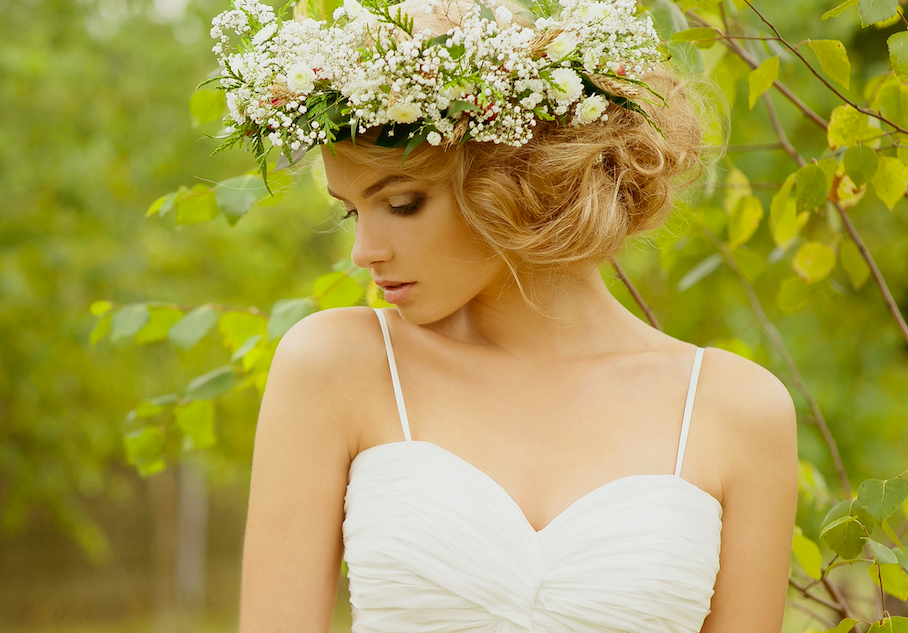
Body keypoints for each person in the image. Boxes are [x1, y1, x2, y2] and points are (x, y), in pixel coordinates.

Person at [217, 0, 799, 630]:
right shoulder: (337, 367)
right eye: (354, 211)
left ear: (520, 175)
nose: (365, 252)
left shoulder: (736, 412)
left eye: (404, 203)